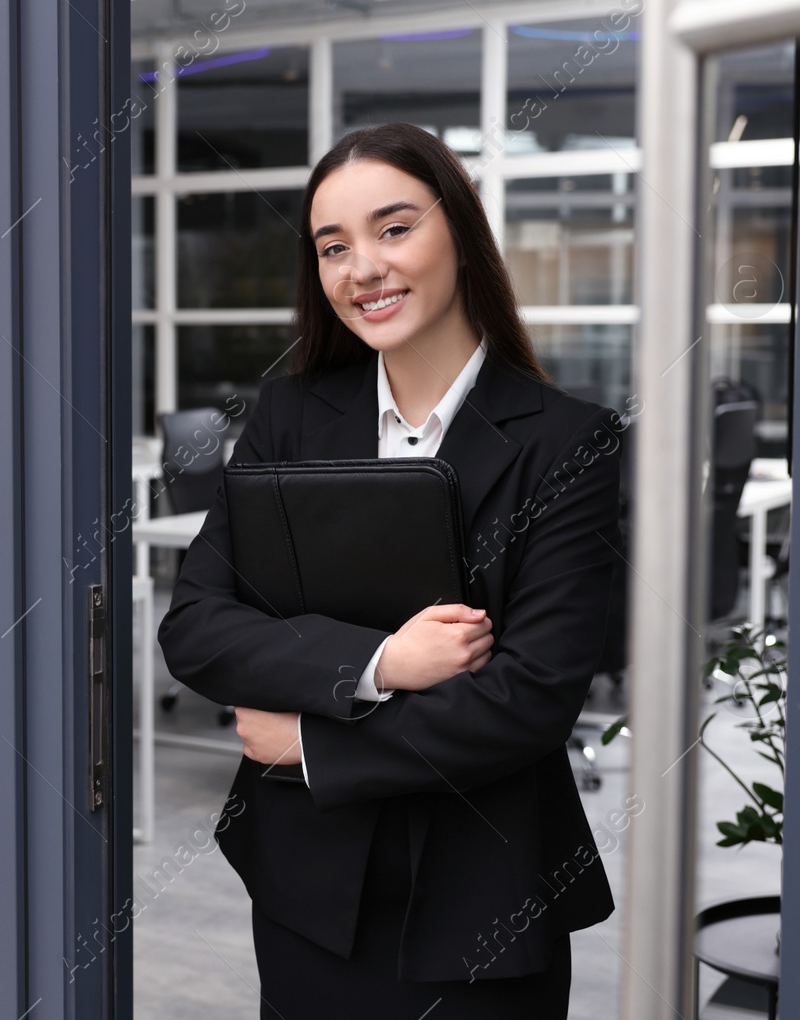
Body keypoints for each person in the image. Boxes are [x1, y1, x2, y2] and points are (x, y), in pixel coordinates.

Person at [157, 122, 627, 1019]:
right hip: (308, 890)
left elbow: (532, 696)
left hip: (481, 900)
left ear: (460, 230)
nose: (361, 267)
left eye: (394, 227)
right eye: (333, 246)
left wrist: (312, 740)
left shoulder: (568, 441)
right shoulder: (290, 414)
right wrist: (381, 666)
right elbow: (198, 624)